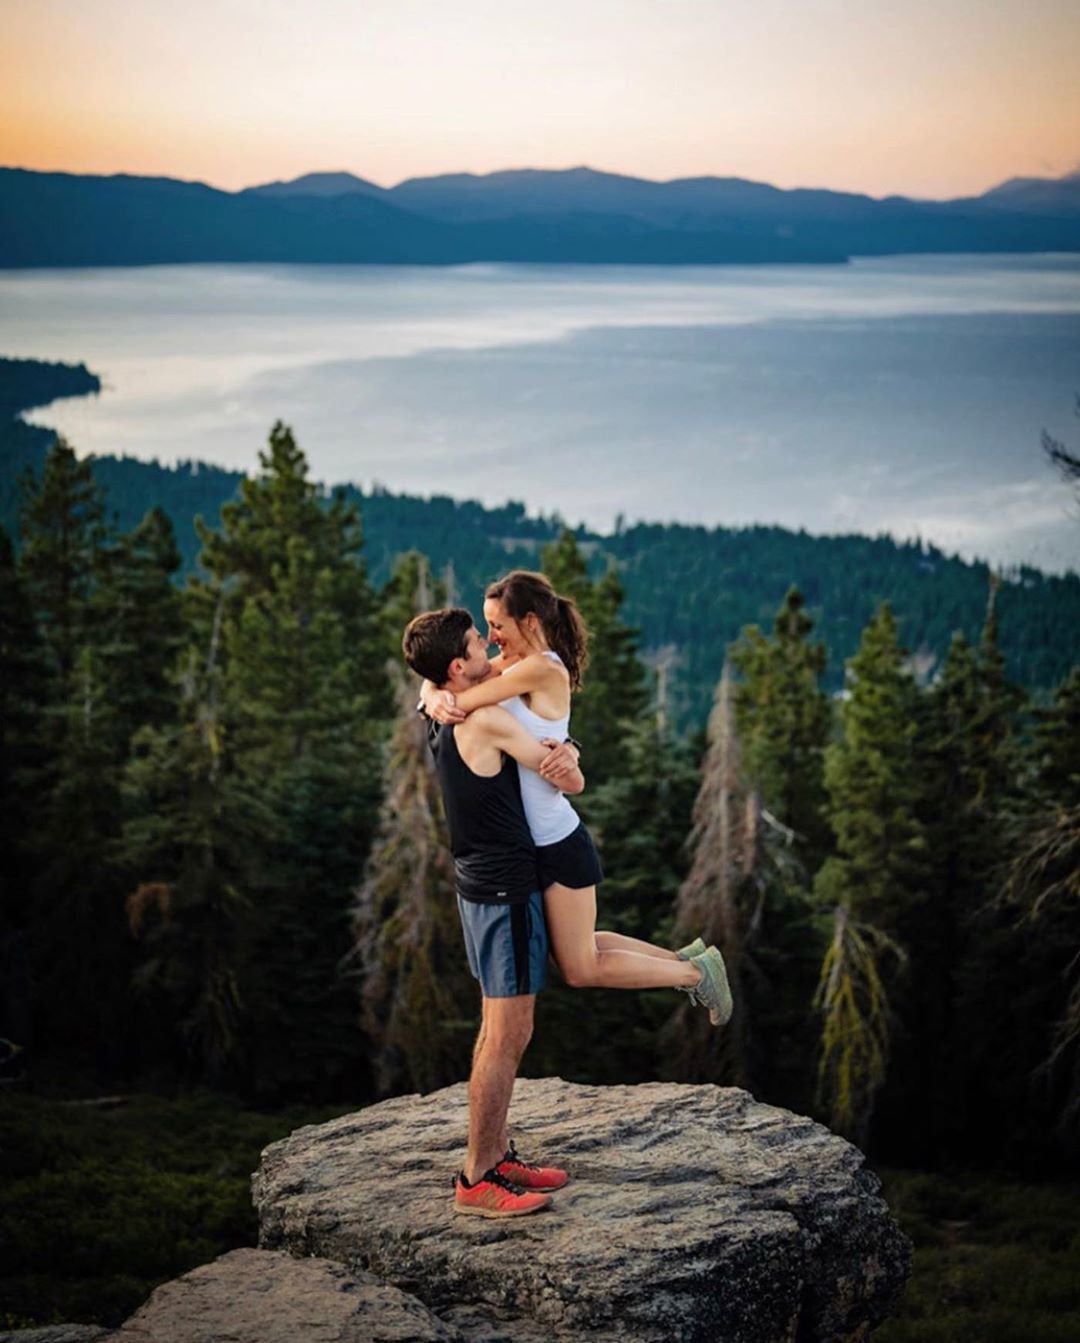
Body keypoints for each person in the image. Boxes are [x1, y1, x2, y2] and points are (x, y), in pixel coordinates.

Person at [420, 570, 733, 1019]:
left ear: (529, 622)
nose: (489, 640)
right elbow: (450, 678)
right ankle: (691, 962)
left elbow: (462, 696)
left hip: (556, 838)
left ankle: (695, 976)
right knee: (576, 953)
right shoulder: (515, 665)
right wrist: (430, 687)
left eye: (498, 626)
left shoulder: (541, 667)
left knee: (582, 967)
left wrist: (432, 693)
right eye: (485, 628)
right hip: (534, 845)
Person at [402, 606, 584, 1219]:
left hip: (477, 884)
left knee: (496, 1029)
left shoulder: (445, 706)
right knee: (508, 1034)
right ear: (459, 666)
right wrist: (571, 754)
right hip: (506, 890)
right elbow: (555, 766)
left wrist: (429, 692)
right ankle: (477, 1176)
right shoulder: (484, 717)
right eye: (480, 645)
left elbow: (432, 688)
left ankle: (496, 1154)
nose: (490, 652)